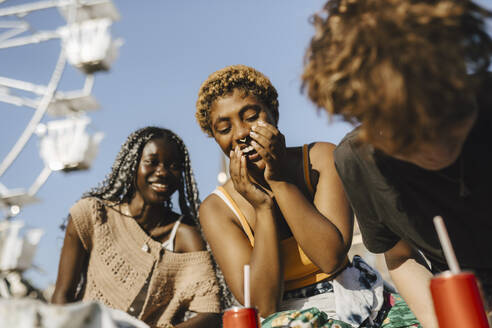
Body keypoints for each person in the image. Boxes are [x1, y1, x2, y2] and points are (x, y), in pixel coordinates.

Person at [302, 0, 492, 327]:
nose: (434, 141)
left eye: (447, 113)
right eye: (407, 132)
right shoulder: (357, 160)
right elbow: (399, 255)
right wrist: (440, 323)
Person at [195, 65, 419, 328]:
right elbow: (262, 305)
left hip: (354, 295)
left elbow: (330, 259)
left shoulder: (320, 159)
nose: (242, 133)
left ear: (273, 113)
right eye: (224, 129)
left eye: (252, 116)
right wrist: (264, 208)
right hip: (285, 317)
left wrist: (279, 181)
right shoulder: (217, 209)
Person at [52, 127, 221, 328]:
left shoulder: (184, 235)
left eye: (174, 166)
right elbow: (62, 297)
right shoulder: (93, 215)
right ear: (132, 165)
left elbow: (210, 314)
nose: (162, 172)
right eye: (152, 162)